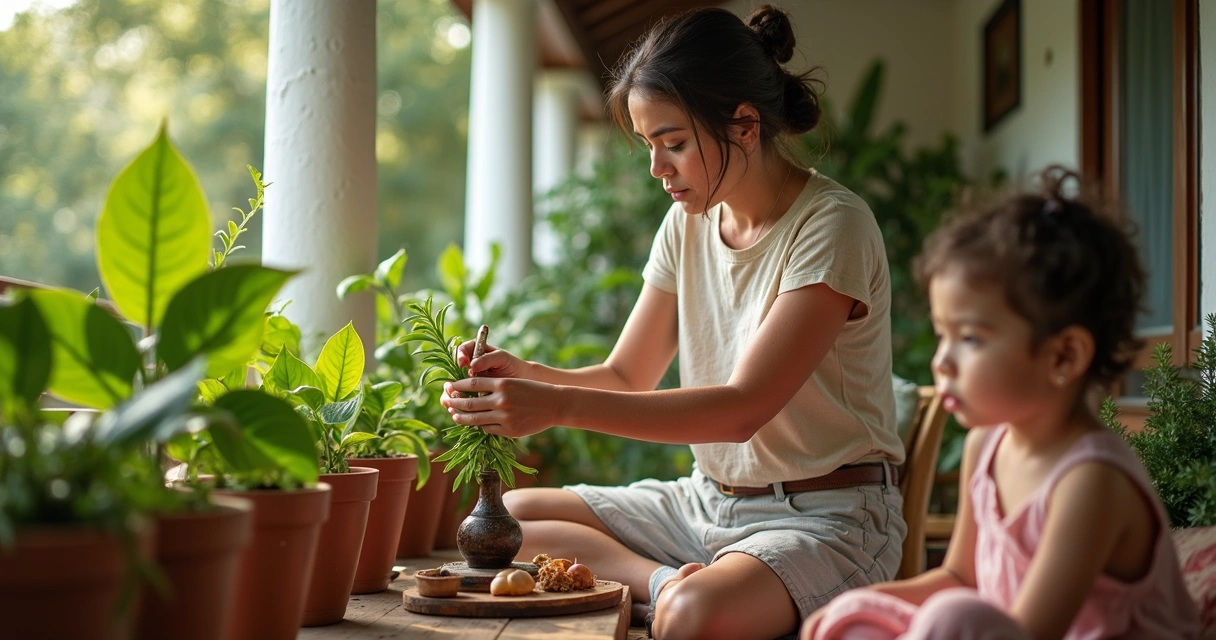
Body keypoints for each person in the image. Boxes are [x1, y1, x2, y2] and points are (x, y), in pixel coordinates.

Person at [441, 6, 906, 639]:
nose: (658, 169)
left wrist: (554, 406)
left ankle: (679, 596)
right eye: (650, 146)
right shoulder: (687, 222)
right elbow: (627, 372)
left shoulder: (832, 226)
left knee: (693, 618)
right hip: (705, 502)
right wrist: (521, 377)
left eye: (675, 143)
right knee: (509, 523)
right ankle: (662, 582)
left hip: (827, 517)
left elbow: (742, 409)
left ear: (743, 125)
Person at [800, 167, 1202, 640]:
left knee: (950, 620)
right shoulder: (985, 446)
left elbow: (1027, 632)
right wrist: (855, 604)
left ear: (1063, 356)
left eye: (969, 338)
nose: (941, 362)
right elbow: (959, 578)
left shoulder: (1091, 482)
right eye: (942, 335)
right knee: (858, 623)